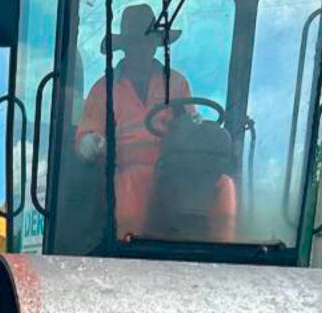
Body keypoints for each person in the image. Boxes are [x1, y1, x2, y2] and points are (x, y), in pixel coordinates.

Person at [75, 3, 236, 242]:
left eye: (147, 41)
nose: (142, 47)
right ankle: (129, 249)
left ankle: (221, 252)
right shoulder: (103, 89)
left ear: (155, 44)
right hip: (125, 168)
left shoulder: (177, 83)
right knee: (133, 183)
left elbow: (191, 126)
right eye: (135, 42)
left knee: (223, 184)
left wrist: (197, 127)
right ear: (125, 47)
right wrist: (92, 142)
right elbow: (86, 136)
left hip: (176, 169)